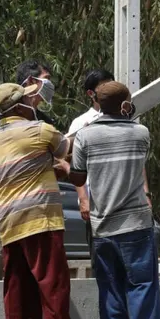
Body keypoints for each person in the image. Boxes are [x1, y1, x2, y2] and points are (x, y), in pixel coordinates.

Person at [67, 81, 160, 319]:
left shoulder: (84, 136)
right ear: (125, 105)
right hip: (137, 225)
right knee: (142, 287)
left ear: (98, 104)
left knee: (111, 291)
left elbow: (78, 177)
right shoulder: (141, 133)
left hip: (103, 228)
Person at [0, 82, 72, 319]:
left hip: (9, 224)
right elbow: (65, 148)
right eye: (27, 99)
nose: (32, 101)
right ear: (20, 107)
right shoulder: (39, 130)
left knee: (18, 292)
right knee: (53, 288)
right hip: (39, 220)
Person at [0, 59, 56, 282]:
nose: (50, 85)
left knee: (26, 269)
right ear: (32, 82)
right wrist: (2, 159)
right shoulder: (0, 112)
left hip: (32, 203)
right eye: (46, 79)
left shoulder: (43, 121)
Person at [67, 68, 115, 271]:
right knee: (102, 261)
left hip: (121, 199)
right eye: (104, 87)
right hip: (95, 202)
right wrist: (84, 198)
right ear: (91, 94)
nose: (109, 91)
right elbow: (74, 164)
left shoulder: (124, 118)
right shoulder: (80, 124)